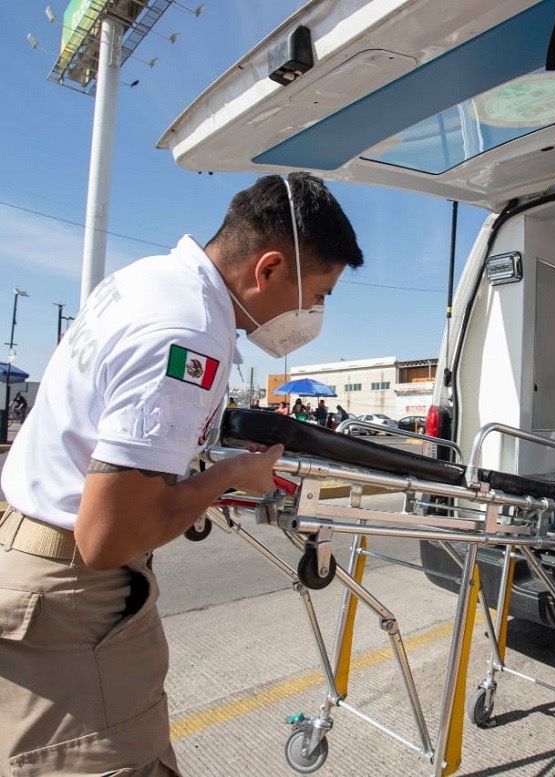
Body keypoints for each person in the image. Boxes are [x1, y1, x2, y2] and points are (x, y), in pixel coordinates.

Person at [0, 171, 363, 775]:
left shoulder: (146, 280)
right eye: (318, 294)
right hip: (72, 601)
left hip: (28, 557)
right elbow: (108, 537)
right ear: (268, 269)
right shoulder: (190, 332)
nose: (314, 313)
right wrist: (229, 476)